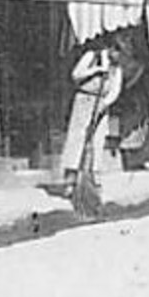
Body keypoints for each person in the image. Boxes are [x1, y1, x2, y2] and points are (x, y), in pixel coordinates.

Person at [56, 37, 125, 211]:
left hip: (102, 103)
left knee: (97, 141)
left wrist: (105, 104)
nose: (118, 55)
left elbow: (115, 90)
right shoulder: (91, 56)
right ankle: (70, 180)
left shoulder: (117, 69)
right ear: (110, 48)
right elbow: (75, 75)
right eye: (117, 51)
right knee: (78, 138)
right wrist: (96, 70)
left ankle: (94, 179)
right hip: (84, 99)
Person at [109, 36, 149, 172]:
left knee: (145, 127)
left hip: (141, 96)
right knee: (131, 128)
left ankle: (145, 158)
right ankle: (132, 160)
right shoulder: (119, 60)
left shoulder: (132, 59)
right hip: (129, 97)